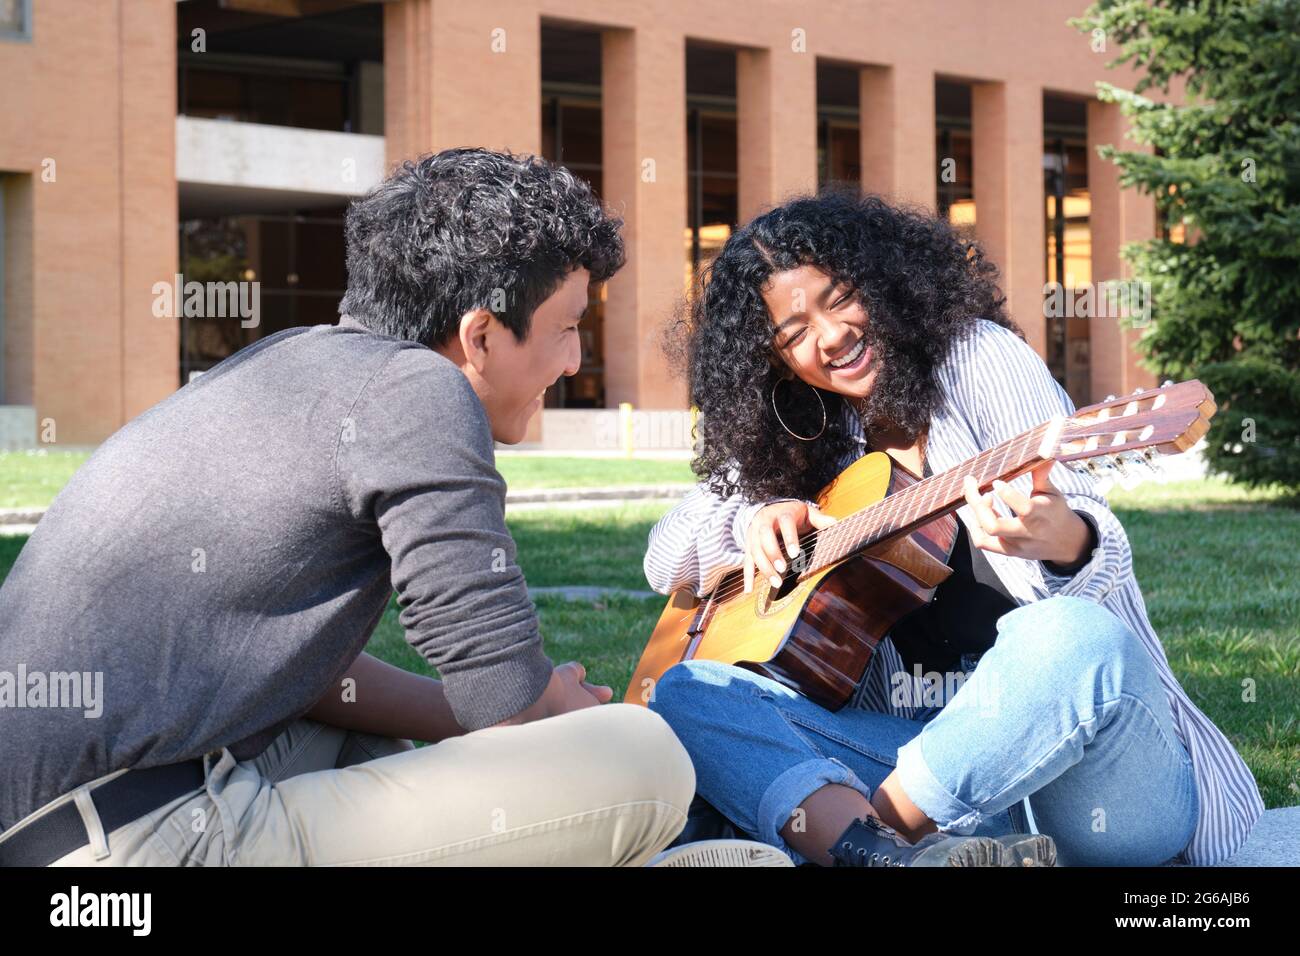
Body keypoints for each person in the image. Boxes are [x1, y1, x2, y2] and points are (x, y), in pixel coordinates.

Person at [0, 148, 700, 867]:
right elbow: (504, 698)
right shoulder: (420, 390)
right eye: (568, 325)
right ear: (481, 336)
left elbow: (305, 674)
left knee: (363, 745)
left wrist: (494, 710)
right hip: (142, 848)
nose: (576, 361)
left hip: (54, 841)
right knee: (643, 756)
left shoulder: (285, 360)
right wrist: (556, 709)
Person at [642, 189, 1264, 867]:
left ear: (883, 278)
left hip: (1095, 784)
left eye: (841, 296)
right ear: (773, 357)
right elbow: (663, 558)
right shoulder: (801, 427)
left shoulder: (975, 358)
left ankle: (866, 845)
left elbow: (1101, 559)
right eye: (792, 332)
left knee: (1065, 632)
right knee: (691, 692)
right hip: (930, 762)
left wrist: (1062, 540)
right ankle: (907, 853)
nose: (830, 335)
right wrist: (751, 516)